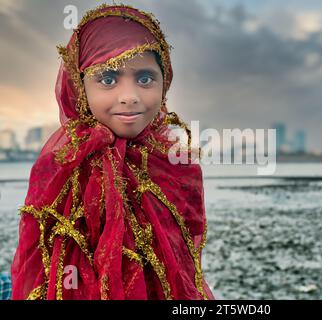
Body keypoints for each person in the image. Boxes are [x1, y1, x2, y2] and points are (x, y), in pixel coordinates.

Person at [10, 3, 214, 300]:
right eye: (107, 79)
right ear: (80, 86)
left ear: (164, 81)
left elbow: (184, 267)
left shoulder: (177, 166)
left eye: (145, 78)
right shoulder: (61, 167)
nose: (129, 97)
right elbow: (39, 268)